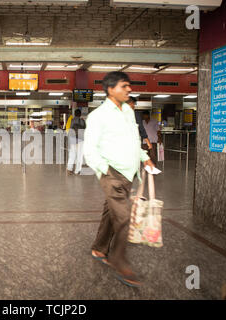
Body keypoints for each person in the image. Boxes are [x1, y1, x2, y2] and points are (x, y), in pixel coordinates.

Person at [83, 71, 154, 287]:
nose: (129, 89)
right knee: (123, 218)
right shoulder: (98, 116)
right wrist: (105, 170)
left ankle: (99, 248)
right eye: (124, 86)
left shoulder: (128, 112)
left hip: (128, 173)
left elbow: (133, 140)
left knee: (110, 213)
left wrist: (144, 158)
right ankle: (119, 261)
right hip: (112, 173)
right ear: (111, 89)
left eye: (129, 86)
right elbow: (90, 149)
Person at [66, 109, 86, 175]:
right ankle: (77, 171)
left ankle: (69, 169)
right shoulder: (82, 121)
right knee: (79, 156)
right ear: (80, 114)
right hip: (80, 140)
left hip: (73, 140)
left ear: (74, 114)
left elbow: (69, 130)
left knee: (72, 154)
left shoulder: (71, 120)